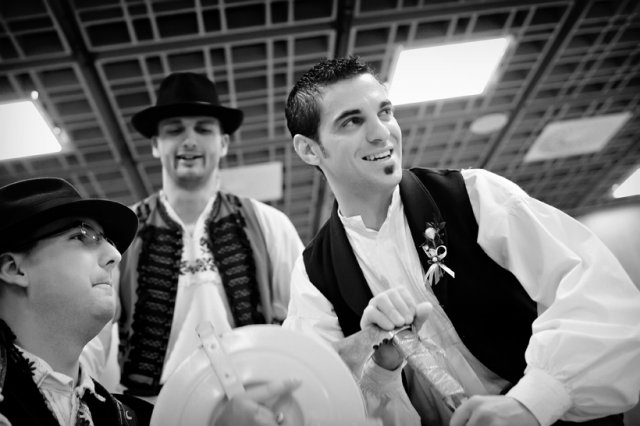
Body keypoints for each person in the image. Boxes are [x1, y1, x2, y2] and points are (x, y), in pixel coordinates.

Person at [282, 56, 640, 426]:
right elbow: (313, 403)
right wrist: (380, 369)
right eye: (352, 121)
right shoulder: (313, 277)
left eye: (385, 112)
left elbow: (597, 294)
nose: (381, 132)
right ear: (309, 149)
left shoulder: (475, 196)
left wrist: (533, 403)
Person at [96, 72, 304, 399]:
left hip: (257, 400)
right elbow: (93, 333)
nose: (189, 140)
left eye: (204, 129)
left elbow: (302, 319)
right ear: (156, 144)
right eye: (174, 130)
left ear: (223, 143)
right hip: (153, 409)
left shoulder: (269, 224)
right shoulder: (120, 233)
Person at [0, 177, 149, 425]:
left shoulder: (142, 419)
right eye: (82, 235)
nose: (115, 255)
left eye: (109, 241)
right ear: (14, 269)